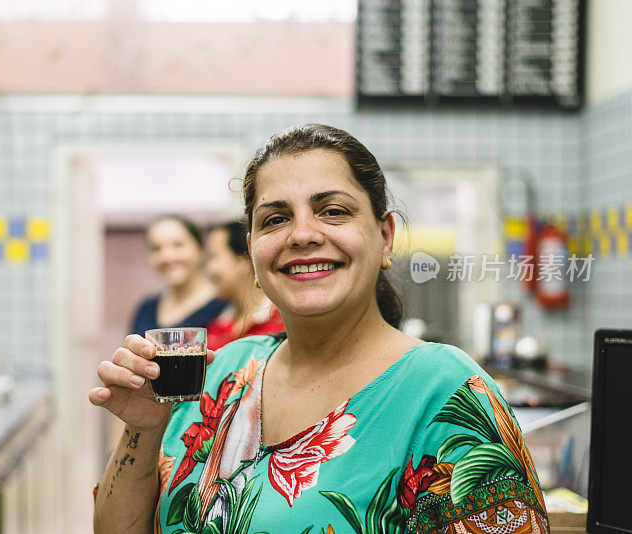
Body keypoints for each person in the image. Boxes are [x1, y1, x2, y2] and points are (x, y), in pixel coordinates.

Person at [90, 124, 549, 534]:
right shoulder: (221, 375)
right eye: (276, 218)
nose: (302, 234)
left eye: (332, 211)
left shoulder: (443, 391)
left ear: (385, 237)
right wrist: (143, 429)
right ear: (252, 250)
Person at [130, 215, 226, 336]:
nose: (167, 256)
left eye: (178, 245)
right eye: (156, 248)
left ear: (200, 249)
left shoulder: (224, 306)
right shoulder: (146, 309)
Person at [204, 220, 284, 351]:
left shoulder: (282, 322)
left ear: (244, 259)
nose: (209, 268)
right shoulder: (216, 327)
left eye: (214, 257)